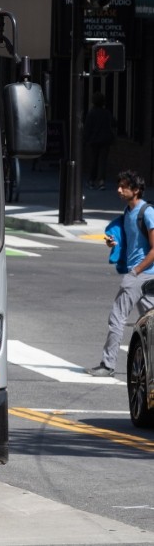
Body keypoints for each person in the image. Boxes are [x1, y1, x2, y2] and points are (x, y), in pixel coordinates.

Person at [91, 170, 154, 377]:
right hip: (142, 274)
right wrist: (114, 242)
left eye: (124, 186)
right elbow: (132, 241)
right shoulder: (128, 212)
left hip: (141, 274)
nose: (119, 189)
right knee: (150, 322)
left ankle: (107, 365)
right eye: (119, 185)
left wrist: (136, 271)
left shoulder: (148, 212)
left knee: (117, 317)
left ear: (135, 190)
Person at [84, 93, 115, 190]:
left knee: (94, 160)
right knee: (102, 161)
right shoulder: (107, 113)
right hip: (105, 140)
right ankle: (101, 181)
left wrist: (86, 139)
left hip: (94, 140)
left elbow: (87, 128)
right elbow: (114, 123)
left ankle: (92, 181)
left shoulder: (91, 113)